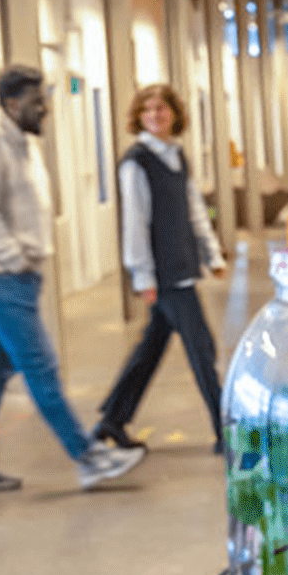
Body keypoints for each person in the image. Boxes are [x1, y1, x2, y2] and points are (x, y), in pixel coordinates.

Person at [0, 65, 148, 492]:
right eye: (38, 101)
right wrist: (15, 257)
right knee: (40, 364)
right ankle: (88, 456)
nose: (46, 109)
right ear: (12, 103)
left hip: (18, 273)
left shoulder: (23, 143)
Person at [93, 84, 228, 453]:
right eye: (147, 109)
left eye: (162, 108)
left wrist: (212, 254)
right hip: (165, 273)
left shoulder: (177, 155)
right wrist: (142, 276)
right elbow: (135, 223)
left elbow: (194, 209)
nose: (155, 115)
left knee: (150, 350)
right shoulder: (136, 162)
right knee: (201, 348)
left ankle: (112, 421)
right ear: (138, 116)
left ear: (174, 114)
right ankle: (224, 430)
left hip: (184, 264)